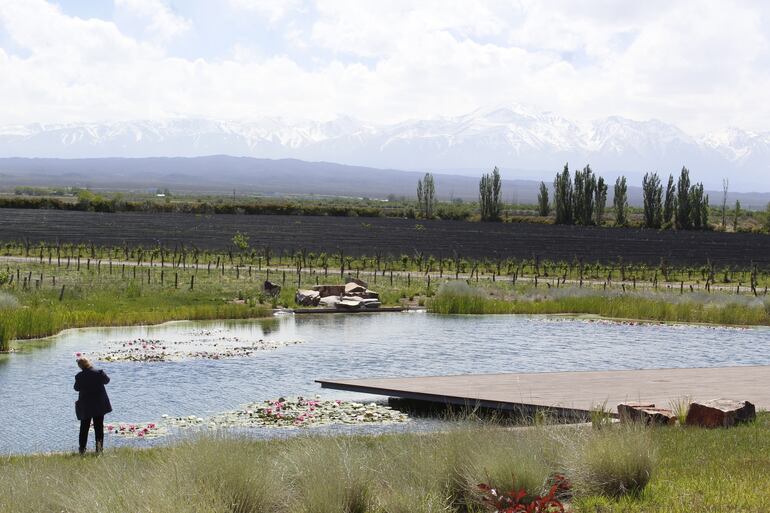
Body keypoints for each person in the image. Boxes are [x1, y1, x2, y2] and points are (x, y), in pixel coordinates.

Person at [74, 357, 112, 454]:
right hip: (99, 404)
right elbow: (107, 381)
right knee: (99, 427)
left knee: (84, 428)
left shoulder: (79, 376)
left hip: (86, 405)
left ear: (80, 366)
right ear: (88, 363)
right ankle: (99, 450)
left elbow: (76, 388)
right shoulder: (99, 372)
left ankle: (82, 450)